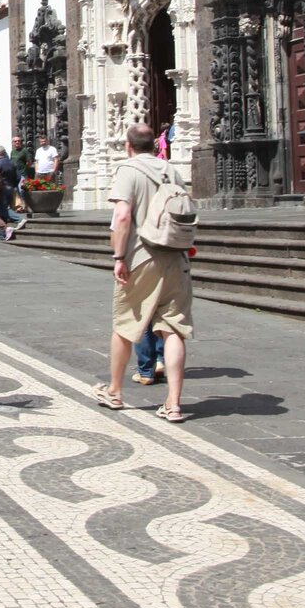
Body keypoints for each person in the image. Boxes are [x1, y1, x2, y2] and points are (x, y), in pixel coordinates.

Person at [94, 124, 193, 422]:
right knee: (173, 329)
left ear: (128, 145)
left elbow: (123, 216)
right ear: (154, 144)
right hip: (175, 256)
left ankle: (114, 391)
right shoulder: (171, 170)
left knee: (125, 324)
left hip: (141, 257)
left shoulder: (128, 169)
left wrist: (119, 257)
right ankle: (173, 404)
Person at [0, 147, 27, 232]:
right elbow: (18, 177)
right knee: (3, 211)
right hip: (11, 187)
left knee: (1, 209)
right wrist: (14, 185)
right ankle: (2, 234)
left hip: (1, 188)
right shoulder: (12, 163)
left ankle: (19, 219)